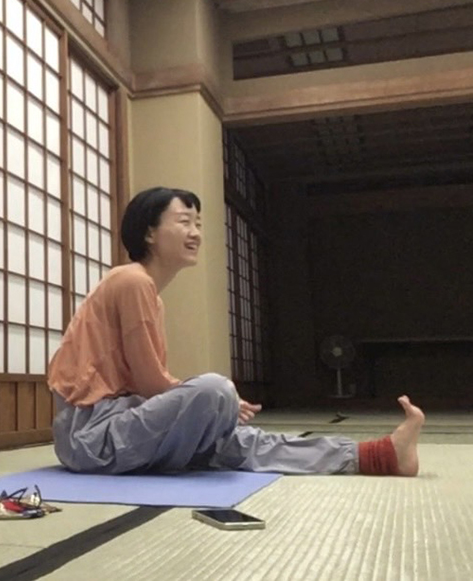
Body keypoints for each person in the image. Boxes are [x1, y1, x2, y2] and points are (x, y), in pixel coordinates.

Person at [48, 186, 425, 477]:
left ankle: (376, 456)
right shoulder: (131, 281)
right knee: (215, 390)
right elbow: (150, 383)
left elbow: (149, 387)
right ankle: (374, 455)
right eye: (184, 222)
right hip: (92, 437)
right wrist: (218, 399)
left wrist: (213, 405)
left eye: (198, 224)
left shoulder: (149, 295)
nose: (195, 232)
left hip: (121, 426)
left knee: (236, 440)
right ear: (149, 232)